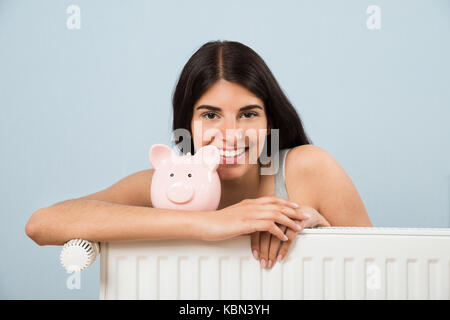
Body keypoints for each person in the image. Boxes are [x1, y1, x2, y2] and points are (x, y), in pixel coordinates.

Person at [25, 40, 372, 270]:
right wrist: (212, 223)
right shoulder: (164, 185)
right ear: (187, 124)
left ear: (270, 121)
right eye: (210, 115)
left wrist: (321, 230)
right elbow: (42, 224)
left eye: (249, 114)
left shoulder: (309, 169)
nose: (231, 134)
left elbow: (378, 271)